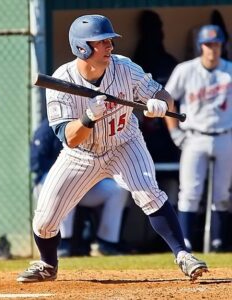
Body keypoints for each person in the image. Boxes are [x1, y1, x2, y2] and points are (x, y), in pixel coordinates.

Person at [17, 14, 208, 283]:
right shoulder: (62, 80)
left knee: (150, 193)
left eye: (109, 41)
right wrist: (87, 118)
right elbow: (69, 138)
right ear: (82, 48)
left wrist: (161, 103)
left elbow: (162, 93)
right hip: (81, 153)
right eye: (102, 41)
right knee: (44, 221)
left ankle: (183, 255)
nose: (110, 46)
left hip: (124, 143)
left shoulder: (125, 68)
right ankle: (48, 265)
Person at [165, 25, 232, 252]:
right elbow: (167, 100)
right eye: (208, 44)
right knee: (190, 192)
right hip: (194, 136)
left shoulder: (229, 70)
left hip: (225, 135)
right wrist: (175, 132)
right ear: (200, 46)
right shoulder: (186, 70)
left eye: (216, 44)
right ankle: (185, 243)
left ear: (222, 45)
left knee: (222, 193)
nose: (212, 49)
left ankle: (218, 241)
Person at [30, 118, 128, 257]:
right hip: (48, 187)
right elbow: (35, 163)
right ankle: (62, 242)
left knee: (118, 189)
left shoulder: (89, 125)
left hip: (85, 185)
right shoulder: (46, 129)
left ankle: (106, 242)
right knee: (63, 183)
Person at [133, 10, 180, 208]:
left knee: (178, 182)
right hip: (143, 135)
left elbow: (176, 100)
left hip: (169, 134)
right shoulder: (135, 64)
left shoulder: (169, 63)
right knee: (140, 184)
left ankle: (170, 232)